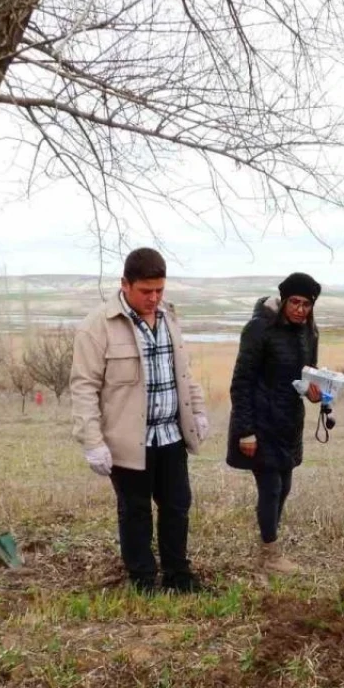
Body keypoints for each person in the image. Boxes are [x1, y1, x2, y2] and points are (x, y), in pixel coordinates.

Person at [71, 247, 209, 593]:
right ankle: (143, 579)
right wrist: (92, 442)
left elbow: (184, 373)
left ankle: (178, 575)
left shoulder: (169, 319)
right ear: (125, 284)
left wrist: (198, 410)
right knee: (135, 512)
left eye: (160, 290)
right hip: (128, 441)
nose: (154, 298)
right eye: (146, 291)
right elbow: (84, 387)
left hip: (171, 436)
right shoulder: (97, 327)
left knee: (177, 507)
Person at [225, 273, 324, 575]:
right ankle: (270, 556)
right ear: (283, 300)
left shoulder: (309, 332)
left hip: (289, 424)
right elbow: (241, 382)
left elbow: (308, 373)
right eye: (295, 302)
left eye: (307, 304)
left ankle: (267, 551)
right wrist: (245, 431)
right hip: (260, 423)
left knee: (284, 488)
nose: (300, 309)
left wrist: (315, 390)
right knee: (271, 488)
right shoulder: (259, 329)